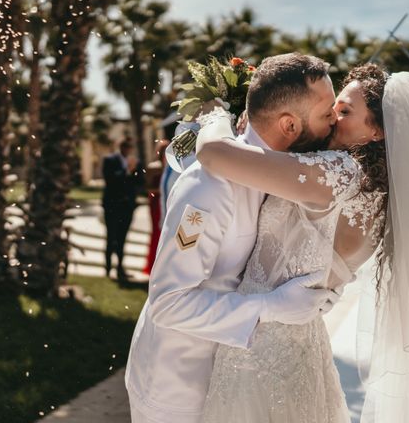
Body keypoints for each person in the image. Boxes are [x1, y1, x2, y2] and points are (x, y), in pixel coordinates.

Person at [196, 65, 409, 422]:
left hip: (258, 350)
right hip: (299, 345)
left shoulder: (339, 174)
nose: (333, 115)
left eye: (346, 111)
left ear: (379, 130)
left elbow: (213, 154)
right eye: (335, 106)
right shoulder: (377, 191)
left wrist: (215, 114)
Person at [125, 53, 341, 423]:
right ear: (289, 125)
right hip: (177, 387)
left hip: (229, 379)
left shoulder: (280, 175)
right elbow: (169, 302)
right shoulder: (206, 190)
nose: (334, 122)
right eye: (327, 114)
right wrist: (273, 307)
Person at [102, 137, 144, 282]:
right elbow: (110, 180)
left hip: (127, 206)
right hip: (112, 206)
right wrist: (127, 170)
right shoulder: (109, 160)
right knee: (110, 237)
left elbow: (140, 182)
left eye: (129, 146)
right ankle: (107, 269)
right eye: (125, 146)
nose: (127, 149)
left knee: (122, 238)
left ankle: (120, 268)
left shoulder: (135, 162)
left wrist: (134, 171)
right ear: (119, 146)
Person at [143, 140, 170, 275]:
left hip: (166, 201)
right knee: (156, 233)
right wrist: (162, 190)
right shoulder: (153, 166)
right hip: (156, 202)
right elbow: (148, 188)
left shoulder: (172, 166)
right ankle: (152, 265)